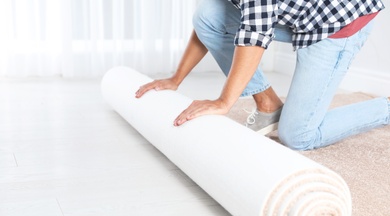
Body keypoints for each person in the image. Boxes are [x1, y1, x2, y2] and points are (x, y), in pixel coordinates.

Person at [135, 0, 389, 151]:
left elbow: (255, 35)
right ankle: (269, 104)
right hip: (304, 13)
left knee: (298, 136)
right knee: (209, 13)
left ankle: (386, 107)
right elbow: (210, 22)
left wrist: (224, 102)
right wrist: (176, 78)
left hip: (338, 24)